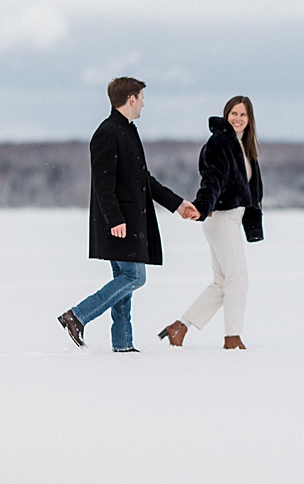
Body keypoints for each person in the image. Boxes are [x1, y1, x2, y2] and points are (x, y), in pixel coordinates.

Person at [57, 77, 199, 352]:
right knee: (134, 277)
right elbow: (102, 183)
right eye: (142, 98)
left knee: (124, 281)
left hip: (130, 221)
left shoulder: (128, 131)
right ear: (131, 98)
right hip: (119, 222)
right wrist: (115, 219)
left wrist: (177, 204)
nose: (144, 103)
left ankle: (122, 343)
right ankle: (77, 315)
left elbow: (144, 180)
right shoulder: (107, 133)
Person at [159, 96, 264, 350]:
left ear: (250, 120)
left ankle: (179, 327)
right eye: (234, 113)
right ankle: (232, 338)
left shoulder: (244, 146)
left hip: (231, 219)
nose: (238, 119)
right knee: (238, 279)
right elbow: (212, 179)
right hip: (221, 218)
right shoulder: (220, 143)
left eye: (243, 115)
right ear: (226, 115)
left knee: (222, 282)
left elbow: (251, 190)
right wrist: (202, 206)